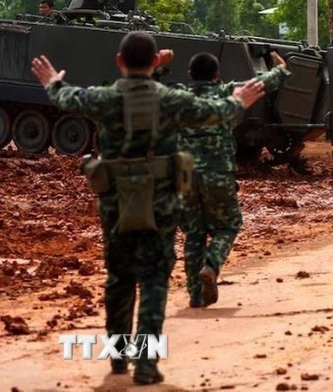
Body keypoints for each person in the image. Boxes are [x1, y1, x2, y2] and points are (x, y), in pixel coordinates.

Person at [30, 32, 266, 384]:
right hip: (161, 203)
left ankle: (118, 357)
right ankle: (146, 363)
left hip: (116, 203)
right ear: (156, 62)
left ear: (119, 61)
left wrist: (52, 82)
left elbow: (67, 97)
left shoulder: (105, 98)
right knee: (155, 279)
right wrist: (239, 100)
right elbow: (215, 112)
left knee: (119, 278)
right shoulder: (169, 99)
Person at [178, 50, 289, 308]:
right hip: (218, 174)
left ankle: (195, 294)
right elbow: (261, 85)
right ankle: (212, 265)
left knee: (194, 233)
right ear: (217, 75)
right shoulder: (226, 93)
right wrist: (280, 70)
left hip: (185, 177)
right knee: (228, 225)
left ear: (190, 76)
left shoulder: (180, 98)